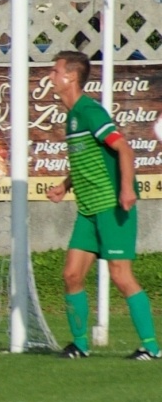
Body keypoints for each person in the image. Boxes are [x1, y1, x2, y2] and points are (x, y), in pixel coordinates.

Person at [45, 50, 159, 360]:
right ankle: (80, 345)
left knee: (121, 275)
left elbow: (124, 149)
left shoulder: (90, 112)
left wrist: (127, 189)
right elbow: (86, 160)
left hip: (111, 206)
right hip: (88, 210)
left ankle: (151, 347)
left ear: (70, 76)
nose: (51, 76)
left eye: (55, 71)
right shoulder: (72, 117)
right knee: (71, 275)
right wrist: (64, 185)